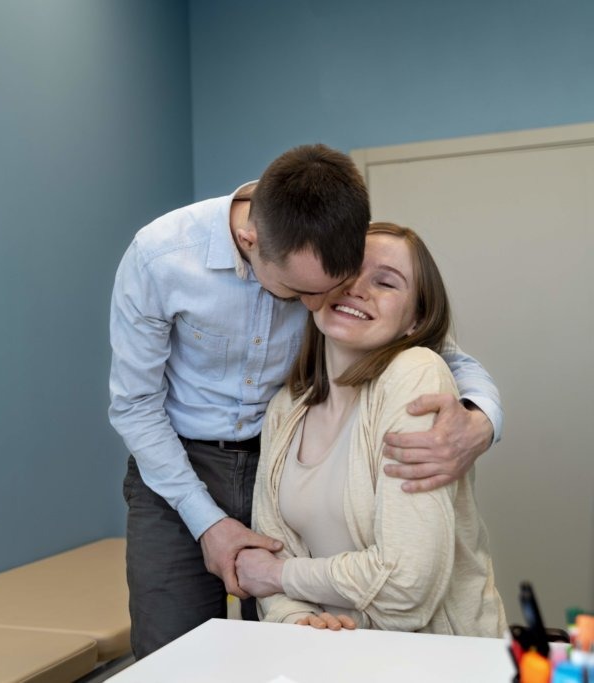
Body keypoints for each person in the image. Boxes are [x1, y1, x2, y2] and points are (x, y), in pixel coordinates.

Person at [108, 145, 504, 657]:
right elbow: (135, 405)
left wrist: (481, 420)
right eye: (301, 294)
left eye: (334, 285)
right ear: (250, 242)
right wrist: (208, 523)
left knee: (273, 656)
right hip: (179, 462)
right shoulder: (160, 258)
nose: (330, 301)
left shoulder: (335, 249)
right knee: (173, 653)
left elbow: (434, 345)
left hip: (277, 455)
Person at [236, 223, 507, 636]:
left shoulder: (415, 374)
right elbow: (272, 547)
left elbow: (406, 589)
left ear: (415, 320)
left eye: (386, 283)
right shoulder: (285, 407)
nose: (356, 288)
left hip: (440, 662)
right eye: (346, 270)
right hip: (333, 655)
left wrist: (280, 576)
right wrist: (294, 616)